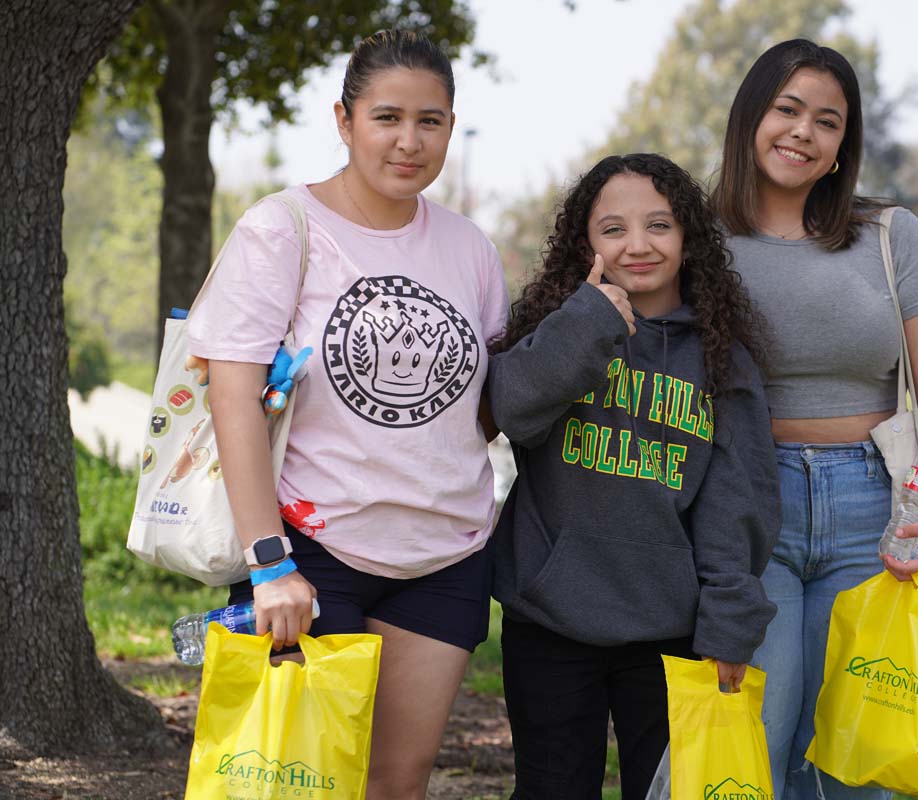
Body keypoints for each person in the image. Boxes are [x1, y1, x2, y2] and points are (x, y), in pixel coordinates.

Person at [187, 29, 508, 800]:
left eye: (430, 121)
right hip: (313, 552)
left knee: (397, 782)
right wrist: (270, 564)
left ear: (451, 127)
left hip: (445, 555)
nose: (409, 142)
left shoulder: (469, 247)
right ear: (344, 120)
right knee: (302, 782)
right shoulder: (282, 228)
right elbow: (232, 396)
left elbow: (489, 396)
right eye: (387, 117)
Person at [711, 39, 918, 800]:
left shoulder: (891, 237)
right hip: (745, 505)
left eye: (827, 122)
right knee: (752, 736)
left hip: (873, 509)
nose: (804, 132)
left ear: (841, 147)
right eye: (787, 109)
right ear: (750, 117)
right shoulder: (695, 239)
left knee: (850, 755)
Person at [487, 153, 781, 800]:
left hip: (670, 629)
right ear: (585, 244)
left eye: (659, 225)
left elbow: (736, 501)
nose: (638, 245)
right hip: (550, 617)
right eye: (613, 229)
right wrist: (591, 320)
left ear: (689, 239)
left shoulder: (720, 359)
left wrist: (729, 618)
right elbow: (512, 410)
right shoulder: (561, 331)